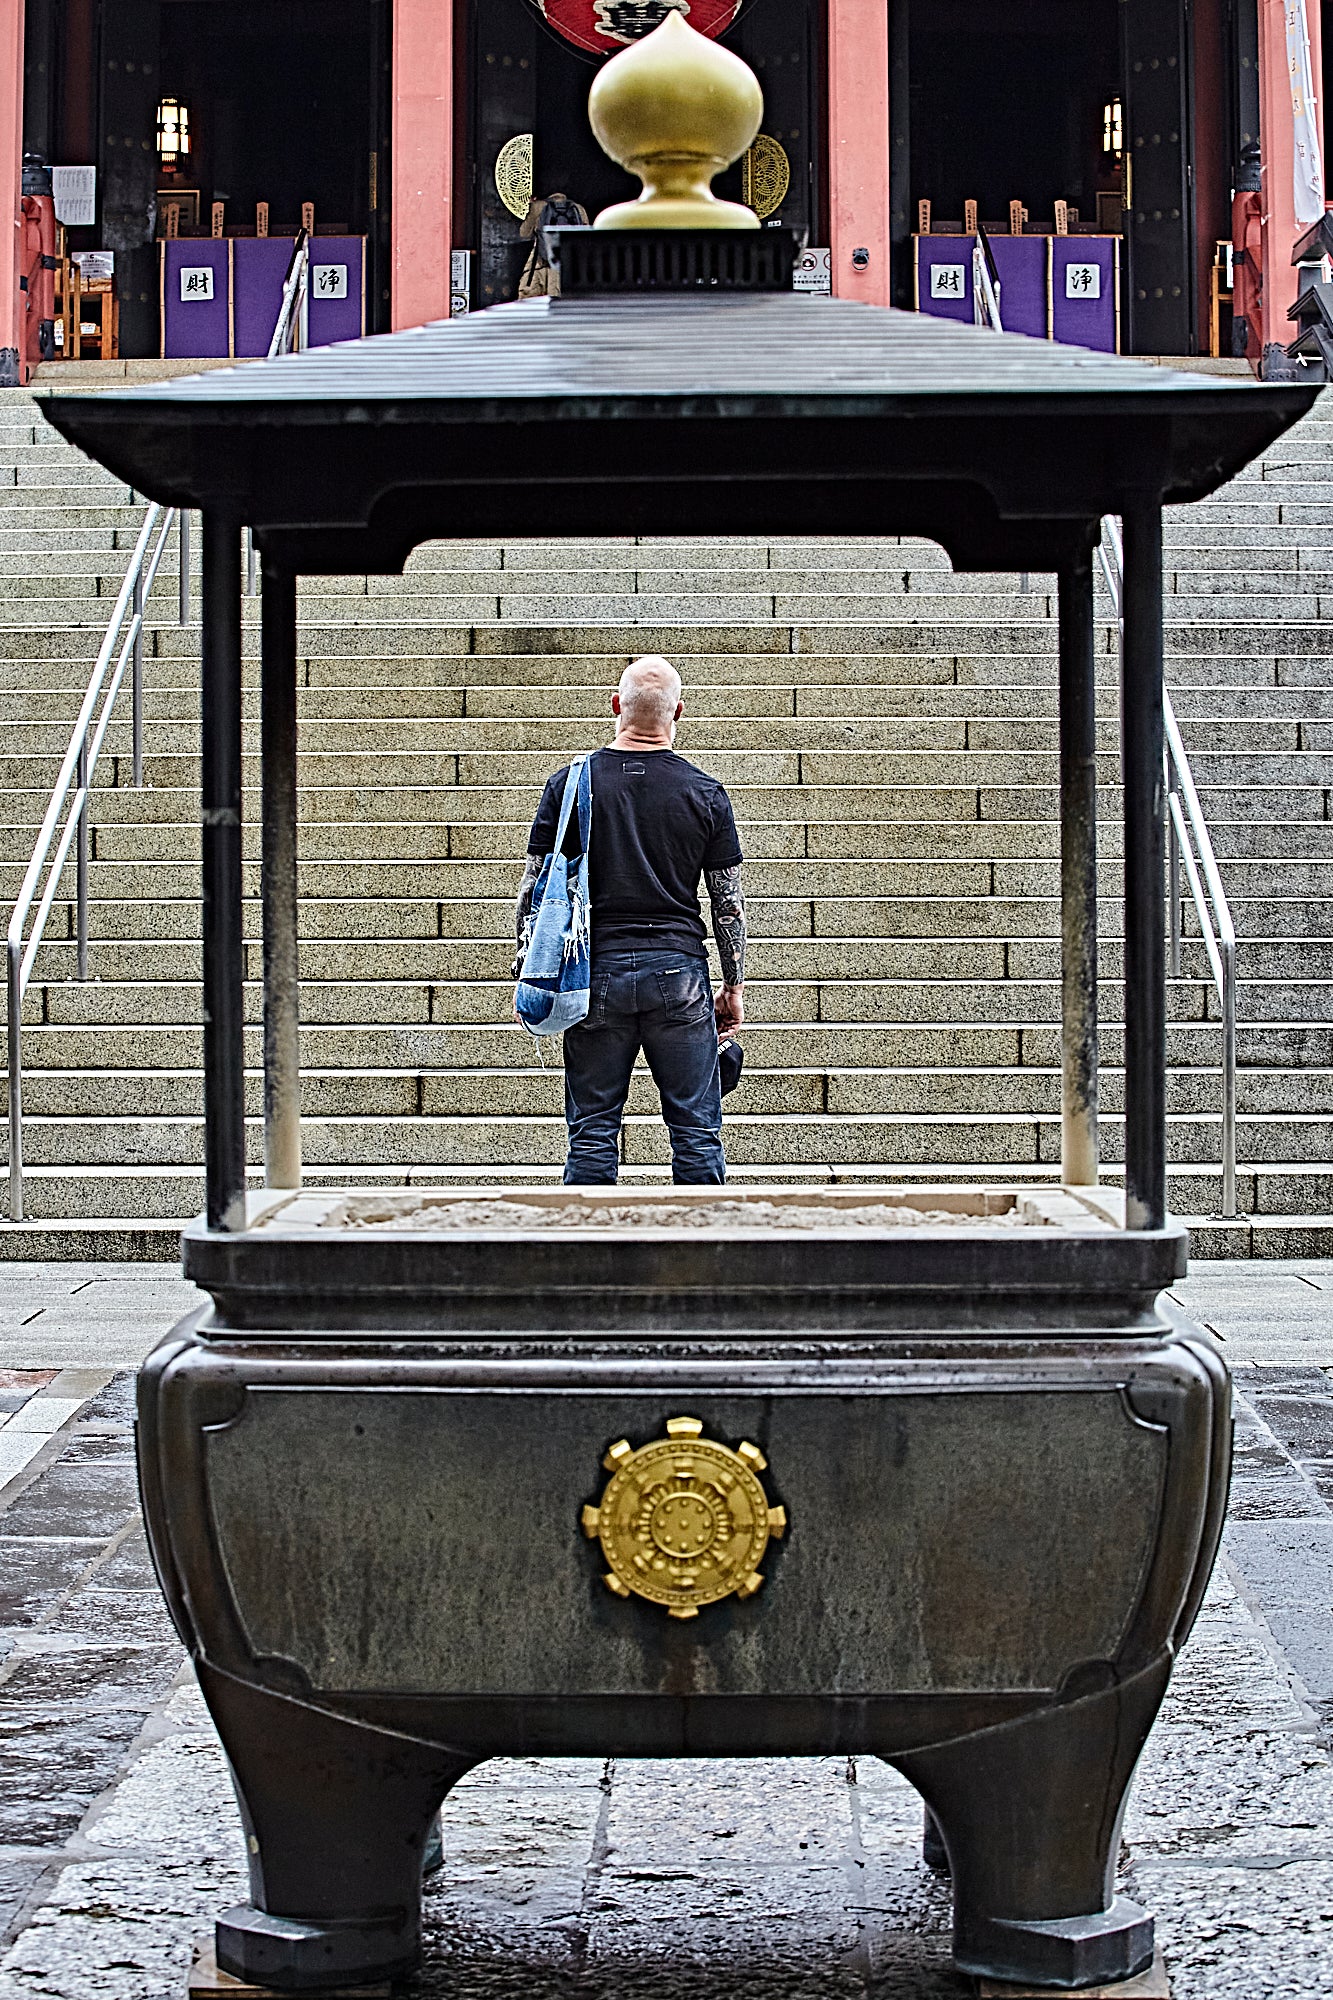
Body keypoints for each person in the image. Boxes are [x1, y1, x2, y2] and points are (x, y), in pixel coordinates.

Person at [515, 655, 747, 1184]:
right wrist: (732, 984)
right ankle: (702, 1254)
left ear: (616, 706)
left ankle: (592, 1259)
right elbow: (728, 902)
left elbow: (533, 889)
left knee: (593, 1130)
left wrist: (527, 968)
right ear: (679, 713)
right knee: (696, 1128)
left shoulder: (569, 786)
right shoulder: (705, 792)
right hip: (680, 974)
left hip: (594, 974)